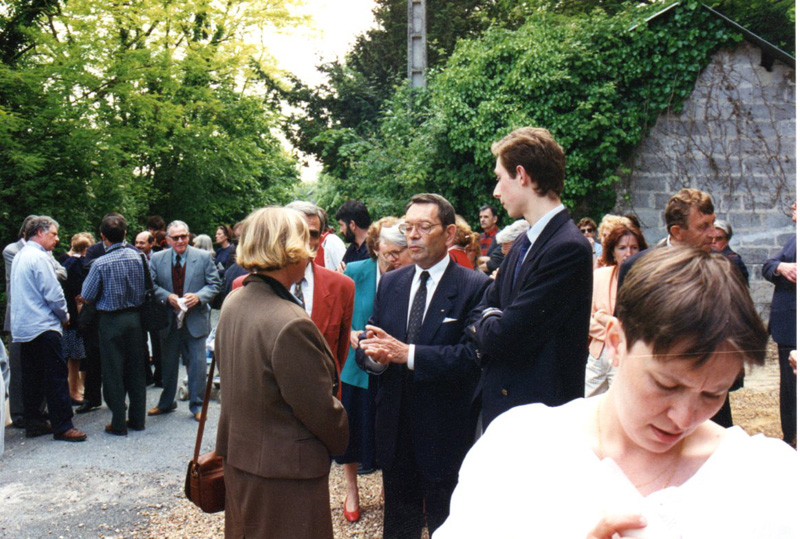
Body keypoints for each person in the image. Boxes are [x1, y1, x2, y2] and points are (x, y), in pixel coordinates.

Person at [435, 247, 799, 538]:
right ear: (615, 342)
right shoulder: (519, 449)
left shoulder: (767, 478)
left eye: (713, 395)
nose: (683, 418)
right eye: (666, 385)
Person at [356, 193, 490, 538]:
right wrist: (373, 355)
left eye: (423, 227)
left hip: (445, 432)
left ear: (448, 235)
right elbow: (374, 343)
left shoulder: (474, 286)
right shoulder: (392, 282)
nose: (412, 235)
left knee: (450, 524)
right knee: (398, 527)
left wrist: (408, 354)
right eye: (407, 227)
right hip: (395, 428)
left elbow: (471, 357)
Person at [215, 206, 348, 539]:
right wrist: (342, 436)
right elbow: (318, 408)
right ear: (290, 250)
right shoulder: (290, 321)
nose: (310, 254)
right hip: (285, 472)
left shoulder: (235, 300)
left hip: (242, 459)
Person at [468, 127, 593, 428]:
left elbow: (504, 336)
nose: (496, 192)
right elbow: (480, 308)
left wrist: (489, 319)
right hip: (509, 411)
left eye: (500, 178)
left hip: (540, 418)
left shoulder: (567, 248)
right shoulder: (525, 241)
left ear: (521, 175)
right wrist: (491, 317)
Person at [617, 189, 738, 428]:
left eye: (713, 224)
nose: (713, 235)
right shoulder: (637, 267)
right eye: (703, 226)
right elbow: (624, 328)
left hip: (706, 390)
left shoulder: (724, 267)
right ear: (677, 232)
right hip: (656, 390)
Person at [336, 218, 411, 523]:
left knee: (389, 429)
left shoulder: (409, 273)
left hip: (393, 365)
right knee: (352, 430)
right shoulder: (354, 272)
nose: (394, 260)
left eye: (400, 253)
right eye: (389, 253)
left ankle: (387, 486)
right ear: (377, 246)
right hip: (356, 367)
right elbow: (340, 315)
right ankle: (351, 489)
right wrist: (350, 332)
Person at [9, 216, 87, 442]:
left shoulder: (20, 256)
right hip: (44, 325)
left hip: (25, 327)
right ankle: (63, 425)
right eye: (53, 234)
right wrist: (65, 315)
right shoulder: (40, 258)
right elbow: (53, 293)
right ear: (40, 233)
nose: (57, 238)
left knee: (32, 377)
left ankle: (34, 422)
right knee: (56, 376)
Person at [80, 214, 147, 435]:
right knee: (136, 368)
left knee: (113, 370)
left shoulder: (99, 263)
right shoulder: (139, 257)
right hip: (135, 319)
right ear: (126, 234)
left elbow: (87, 295)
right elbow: (149, 285)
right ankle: (137, 419)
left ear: (102, 237)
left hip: (110, 320)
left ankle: (118, 421)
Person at [148, 220, 221, 421]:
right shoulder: (157, 259)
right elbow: (151, 285)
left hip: (195, 318)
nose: (180, 241)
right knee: (168, 363)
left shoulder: (204, 257)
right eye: (176, 237)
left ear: (188, 237)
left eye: (184, 236)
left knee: (197, 364)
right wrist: (166, 296)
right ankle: (166, 403)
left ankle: (197, 405)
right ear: (168, 239)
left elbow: (215, 284)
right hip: (169, 319)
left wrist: (199, 297)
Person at [3, 215, 63, 428]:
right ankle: (21, 414)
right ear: (35, 232)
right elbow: (49, 283)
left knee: (37, 370)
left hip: (37, 318)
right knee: (21, 369)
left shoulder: (41, 252)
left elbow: (61, 272)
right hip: (22, 317)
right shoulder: (13, 252)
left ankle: (37, 413)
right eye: (52, 234)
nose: (55, 239)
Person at [585, 223, 647, 397]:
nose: (628, 253)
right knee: (588, 404)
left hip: (625, 354)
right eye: (622, 248)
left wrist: (603, 318)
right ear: (612, 251)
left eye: (634, 247)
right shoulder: (599, 276)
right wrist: (612, 328)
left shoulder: (646, 281)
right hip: (597, 354)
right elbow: (586, 318)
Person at [762, 201, 796, 446]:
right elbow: (768, 266)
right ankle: (790, 438)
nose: (794, 206)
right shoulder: (793, 240)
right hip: (787, 329)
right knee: (788, 391)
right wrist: (781, 267)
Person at [60, 232, 93, 404]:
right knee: (76, 355)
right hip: (76, 313)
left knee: (74, 355)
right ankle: (74, 390)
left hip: (68, 313)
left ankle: (77, 388)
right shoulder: (79, 264)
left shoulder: (63, 261)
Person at [711, 220, 749, 285]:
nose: (713, 241)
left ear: (727, 240)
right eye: (711, 237)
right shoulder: (703, 256)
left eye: (719, 238)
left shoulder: (733, 260)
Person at [336, 200, 372, 265]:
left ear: (352, 225)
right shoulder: (352, 249)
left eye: (341, 225)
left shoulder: (374, 250)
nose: (340, 230)